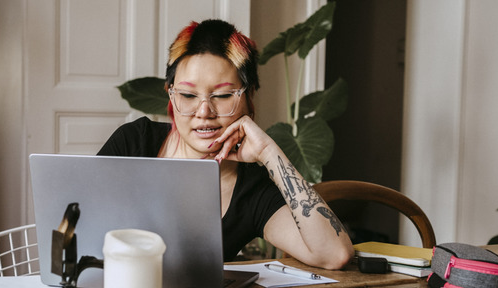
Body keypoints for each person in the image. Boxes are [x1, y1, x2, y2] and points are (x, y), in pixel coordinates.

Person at [98, 19, 353, 270]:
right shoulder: (134, 142)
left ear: (248, 97)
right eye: (187, 95)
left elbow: (334, 254)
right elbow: (73, 228)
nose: (204, 112)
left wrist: (269, 152)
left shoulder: (253, 188)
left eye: (222, 96)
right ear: (171, 94)